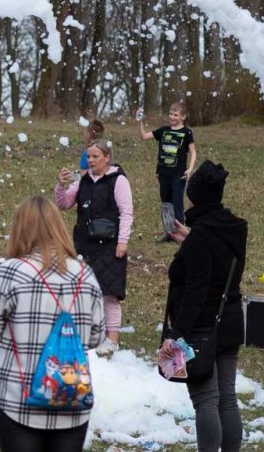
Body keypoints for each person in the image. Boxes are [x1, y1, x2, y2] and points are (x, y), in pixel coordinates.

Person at [0, 196, 105, 452]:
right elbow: (95, 337)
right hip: (71, 395)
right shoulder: (84, 274)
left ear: (19, 229)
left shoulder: (11, 272)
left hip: (17, 399)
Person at [162, 160, 246, 452]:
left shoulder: (201, 236)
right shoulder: (234, 227)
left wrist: (176, 334)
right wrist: (190, 240)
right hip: (231, 320)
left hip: (201, 328)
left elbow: (196, 291)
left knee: (205, 401)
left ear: (196, 194)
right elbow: (218, 263)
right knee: (227, 398)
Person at [55, 139, 133, 354]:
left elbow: (126, 212)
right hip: (84, 244)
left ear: (107, 157)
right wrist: (61, 186)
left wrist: (122, 241)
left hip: (110, 245)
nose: (90, 160)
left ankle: (112, 340)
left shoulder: (118, 180)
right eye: (88, 156)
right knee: (83, 291)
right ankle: (88, 335)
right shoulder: (82, 180)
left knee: (109, 293)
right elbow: (63, 204)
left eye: (95, 156)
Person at [138, 102, 197, 240]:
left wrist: (190, 168)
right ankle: (169, 233)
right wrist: (139, 121)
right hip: (163, 174)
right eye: (170, 114)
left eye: (176, 115)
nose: (172, 117)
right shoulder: (163, 130)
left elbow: (193, 152)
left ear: (183, 117)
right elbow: (144, 136)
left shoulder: (187, 133)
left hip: (178, 175)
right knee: (166, 203)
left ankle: (181, 234)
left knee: (177, 203)